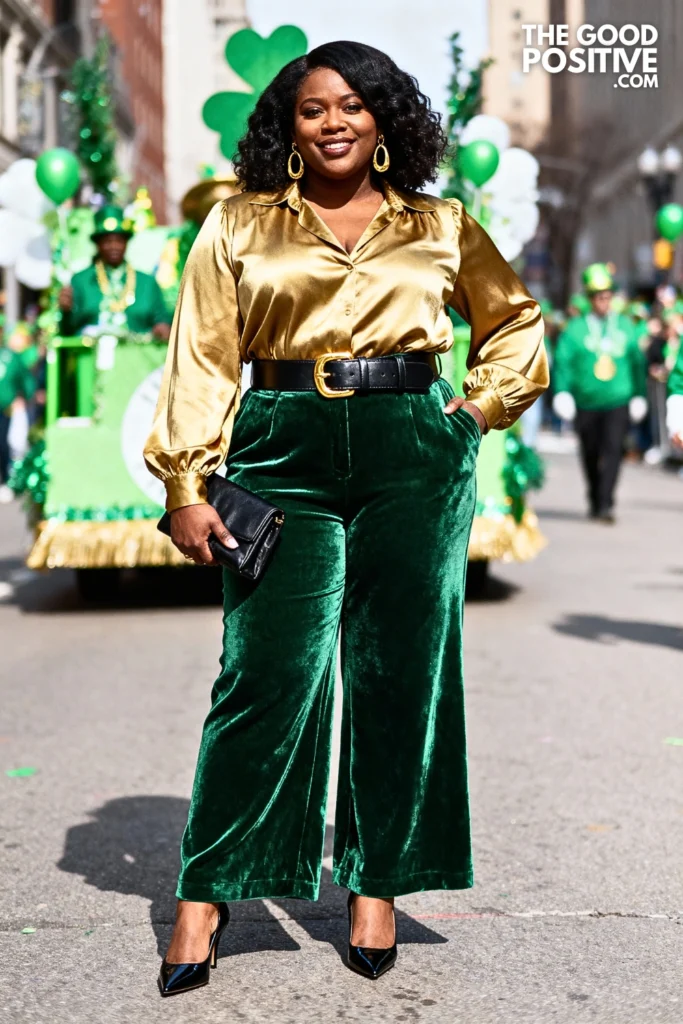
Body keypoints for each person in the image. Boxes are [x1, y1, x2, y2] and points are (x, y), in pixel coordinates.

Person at [144, 41, 548, 995]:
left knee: (402, 672)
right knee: (265, 673)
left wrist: (471, 413)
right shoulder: (239, 224)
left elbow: (514, 325)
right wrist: (186, 486)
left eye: (355, 106)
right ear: (287, 124)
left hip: (414, 449)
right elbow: (201, 357)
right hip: (283, 446)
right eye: (314, 107)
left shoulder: (441, 223)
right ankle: (210, 891)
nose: (334, 122)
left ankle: (378, 884)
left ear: (384, 123)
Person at [553, 263, 647, 522]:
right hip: (586, 402)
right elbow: (563, 362)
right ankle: (595, 495)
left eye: (607, 295)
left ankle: (606, 502)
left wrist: (640, 394)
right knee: (591, 451)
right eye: (598, 296)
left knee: (615, 449)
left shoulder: (625, 325)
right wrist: (562, 392)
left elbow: (637, 361)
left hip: (618, 400)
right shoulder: (575, 329)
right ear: (590, 298)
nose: (604, 301)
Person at [58, 205, 171, 339]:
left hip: (137, 356)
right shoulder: (81, 280)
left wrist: (162, 327)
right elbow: (69, 330)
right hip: (92, 356)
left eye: (119, 241)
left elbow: (162, 320)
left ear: (126, 243)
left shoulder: (146, 282)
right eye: (107, 241)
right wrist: (65, 312)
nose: (113, 246)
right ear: (97, 244)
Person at [0, 340, 36, 501]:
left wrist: (25, 398)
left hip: (5, 408)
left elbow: (26, 379)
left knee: (4, 445)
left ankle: (6, 481)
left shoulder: (11, 357)